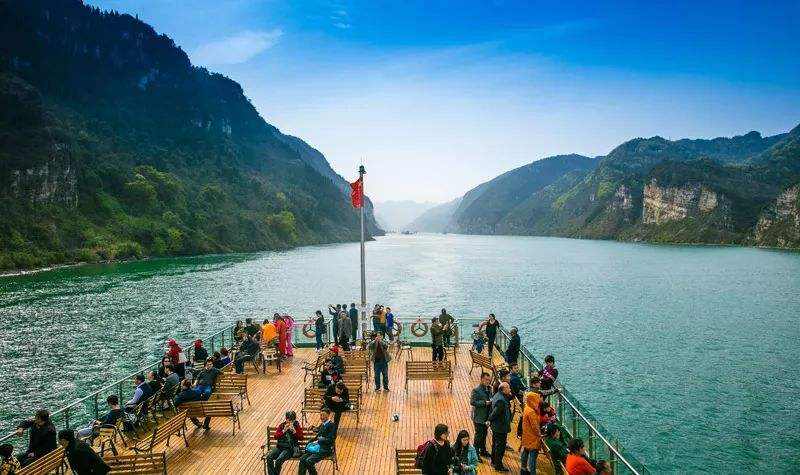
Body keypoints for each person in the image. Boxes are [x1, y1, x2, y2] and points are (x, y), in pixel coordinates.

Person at [298, 408, 337, 475]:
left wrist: (321, 439)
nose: (321, 417)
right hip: (316, 447)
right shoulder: (323, 424)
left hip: (325, 449)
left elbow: (331, 439)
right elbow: (318, 430)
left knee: (309, 461)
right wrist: (312, 427)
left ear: (328, 415)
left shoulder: (332, 425)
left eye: (323, 415)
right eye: (321, 415)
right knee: (302, 459)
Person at [265, 411, 303, 475]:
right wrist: (283, 431)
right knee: (269, 457)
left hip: (289, 449)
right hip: (279, 447)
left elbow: (301, 438)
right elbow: (275, 436)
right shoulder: (282, 425)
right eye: (289, 420)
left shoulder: (296, 425)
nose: (291, 422)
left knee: (279, 460)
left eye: (292, 421)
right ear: (286, 419)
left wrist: (294, 431)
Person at [487, 382, 512, 472]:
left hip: (496, 426)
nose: (510, 389)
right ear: (503, 389)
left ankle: (494, 461)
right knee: (500, 447)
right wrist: (489, 419)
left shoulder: (497, 395)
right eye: (508, 388)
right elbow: (495, 413)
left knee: (495, 444)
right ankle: (498, 465)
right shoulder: (501, 400)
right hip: (500, 427)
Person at [469, 372, 492, 458]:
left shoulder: (489, 388)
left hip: (486, 416)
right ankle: (475, 454)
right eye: (486, 380)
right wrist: (484, 403)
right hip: (479, 417)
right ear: (481, 379)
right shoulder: (476, 390)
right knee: (478, 436)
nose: (488, 381)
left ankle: (483, 451)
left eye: (489, 380)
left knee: (484, 434)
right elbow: (472, 402)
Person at [520, 392, 542, 475]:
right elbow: (535, 426)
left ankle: (523, 468)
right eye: (537, 398)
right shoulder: (531, 412)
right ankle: (532, 473)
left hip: (526, 434)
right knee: (533, 456)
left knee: (525, 451)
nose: (538, 400)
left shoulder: (527, 407)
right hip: (532, 436)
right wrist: (539, 434)